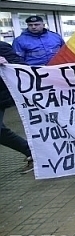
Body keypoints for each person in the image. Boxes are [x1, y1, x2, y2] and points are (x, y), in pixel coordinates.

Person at [0, 42, 33, 174]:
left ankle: (31, 152)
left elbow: (20, 67)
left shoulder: (1, 47)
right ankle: (30, 152)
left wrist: (6, 63)